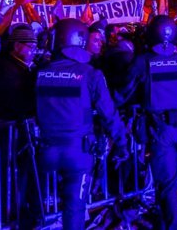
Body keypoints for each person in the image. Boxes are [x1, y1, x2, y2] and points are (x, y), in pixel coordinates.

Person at [35, 18, 128, 230]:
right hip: (78, 153)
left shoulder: (40, 73)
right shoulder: (90, 74)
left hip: (46, 151)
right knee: (74, 209)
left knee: (38, 207)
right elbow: (109, 113)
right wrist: (121, 143)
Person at [128, 15, 177, 229]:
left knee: (167, 184)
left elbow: (124, 92)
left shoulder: (143, 61)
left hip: (162, 132)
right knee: (167, 178)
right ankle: (164, 218)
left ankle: (174, 225)